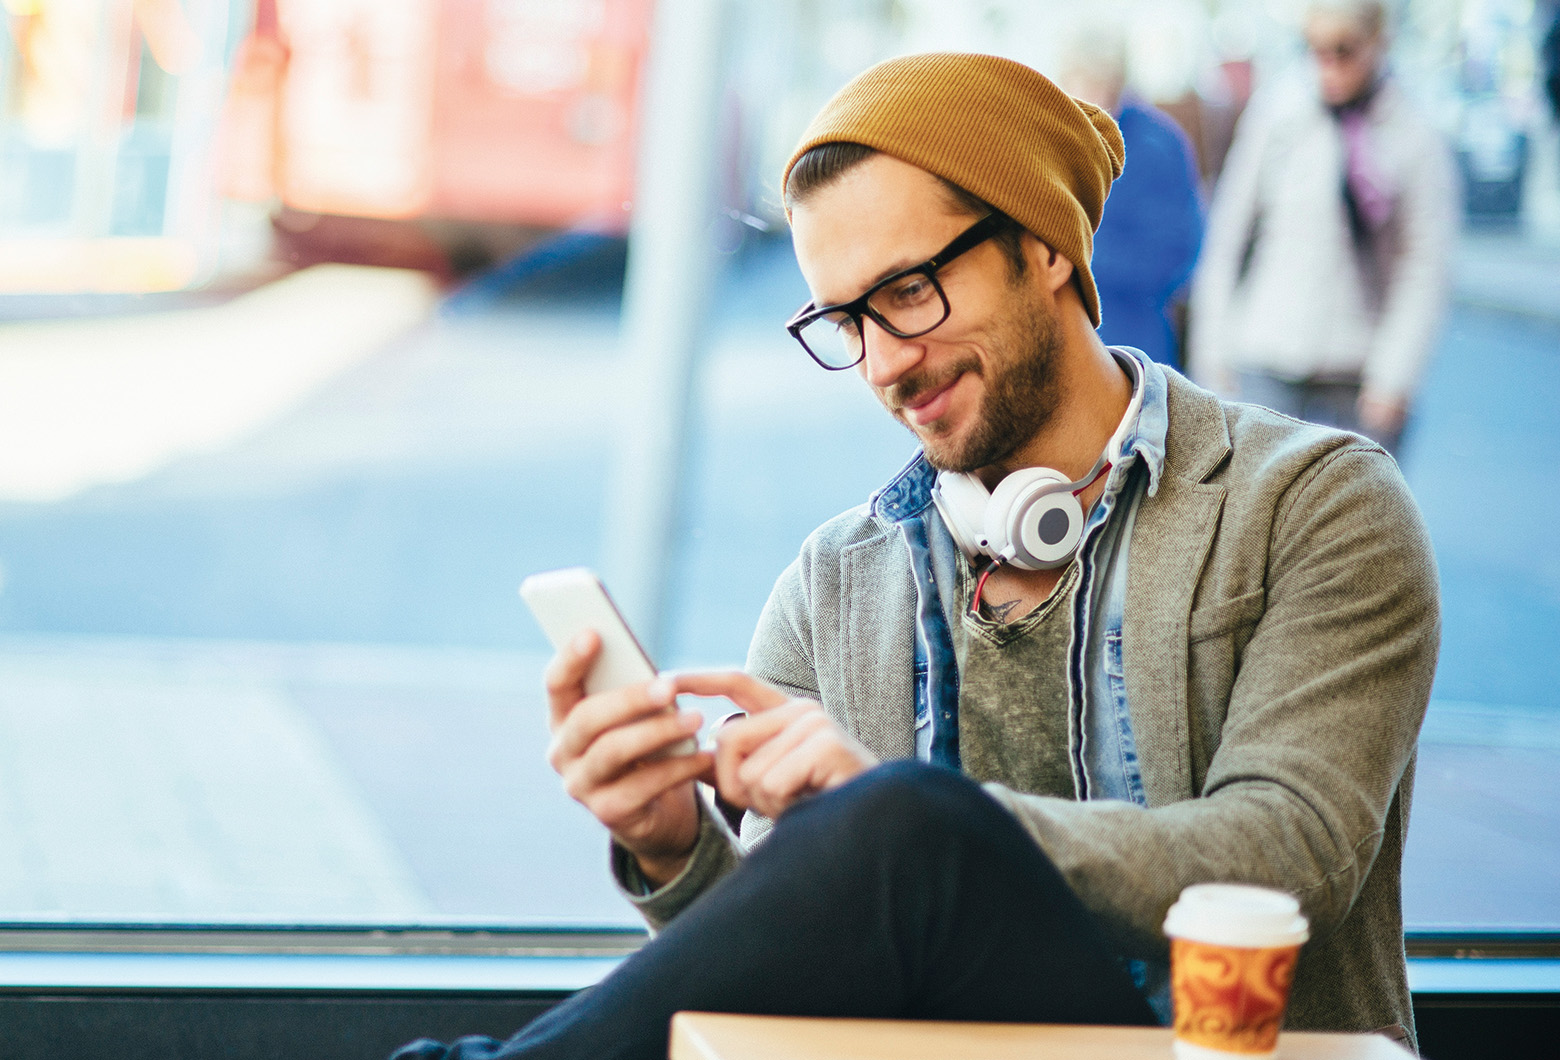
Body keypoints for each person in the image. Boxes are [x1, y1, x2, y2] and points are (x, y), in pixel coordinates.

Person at [395, 51, 1438, 1060]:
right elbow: (801, 966)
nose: (887, 363)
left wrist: (930, 830)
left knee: (904, 816)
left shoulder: (1313, 503)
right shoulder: (834, 582)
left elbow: (1290, 857)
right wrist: (676, 844)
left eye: (908, 291)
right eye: (846, 320)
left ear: (1044, 244)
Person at [1189, 0, 1458, 454]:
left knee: (1358, 522)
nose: (1327, 65)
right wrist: (1211, 350)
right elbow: (1228, 232)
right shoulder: (1279, 111)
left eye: (1343, 50)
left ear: (1379, 43)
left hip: (1358, 373)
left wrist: (1394, 378)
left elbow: (1424, 266)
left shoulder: (1413, 133)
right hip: (1266, 359)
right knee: (1258, 522)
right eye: (1314, 49)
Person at [1057, 20, 1204, 369]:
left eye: (1097, 85)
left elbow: (1178, 254)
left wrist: (1075, 255)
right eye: (1077, 85)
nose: (1087, 100)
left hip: (1135, 343)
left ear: (1118, 82)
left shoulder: (1158, 145)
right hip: (1064, 339)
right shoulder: (1053, 139)